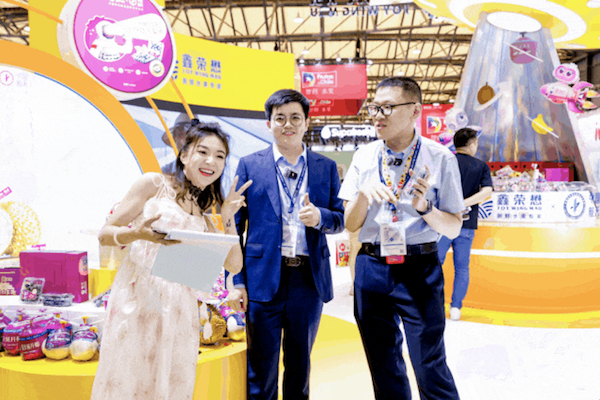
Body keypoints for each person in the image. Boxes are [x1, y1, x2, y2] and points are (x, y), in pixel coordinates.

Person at [91, 122, 252, 400]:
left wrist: (227, 216)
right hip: (138, 304)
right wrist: (136, 234)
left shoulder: (203, 212)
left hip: (179, 313)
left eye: (220, 156)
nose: (211, 161)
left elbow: (234, 265)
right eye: (203, 151)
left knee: (170, 387)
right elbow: (105, 235)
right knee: (127, 382)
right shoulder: (154, 184)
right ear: (184, 155)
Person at [338, 77, 464, 400]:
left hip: (419, 267)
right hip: (371, 266)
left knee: (429, 363)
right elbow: (351, 224)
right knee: (383, 364)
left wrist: (426, 209)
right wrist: (362, 195)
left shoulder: (440, 158)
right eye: (375, 107)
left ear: (415, 111)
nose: (378, 115)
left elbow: (453, 227)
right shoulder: (364, 156)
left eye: (388, 107)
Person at [227, 89, 345, 400]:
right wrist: (237, 281)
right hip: (262, 278)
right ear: (269, 124)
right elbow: (234, 227)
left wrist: (320, 217)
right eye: (280, 118)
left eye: (295, 117)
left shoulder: (325, 167)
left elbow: (340, 219)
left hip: (308, 280)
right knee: (261, 369)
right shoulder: (250, 165)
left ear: (306, 122)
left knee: (299, 366)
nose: (287, 124)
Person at [437, 127, 493, 321]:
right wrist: (464, 203)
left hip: (443, 222)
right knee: (462, 267)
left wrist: (454, 203)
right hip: (467, 224)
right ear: (472, 144)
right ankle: (456, 308)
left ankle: (435, 304)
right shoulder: (481, 166)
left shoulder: (445, 162)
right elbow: (487, 191)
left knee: (436, 264)